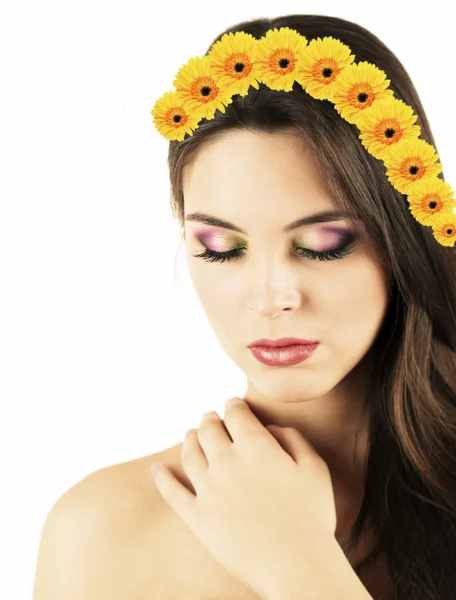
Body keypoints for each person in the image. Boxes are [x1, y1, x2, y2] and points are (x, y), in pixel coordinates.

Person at [33, 13, 456, 600]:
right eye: (221, 249)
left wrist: (302, 568)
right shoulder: (101, 532)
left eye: (322, 246)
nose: (268, 298)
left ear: (402, 238)